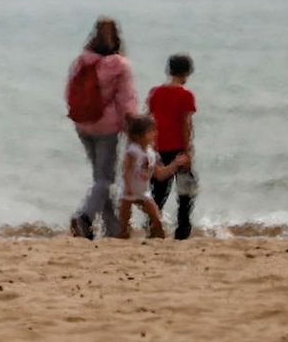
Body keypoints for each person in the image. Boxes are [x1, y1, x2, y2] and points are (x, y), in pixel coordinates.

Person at [66, 17, 137, 240]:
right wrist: (131, 128)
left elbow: (69, 90)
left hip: (82, 124)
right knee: (105, 180)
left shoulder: (81, 61)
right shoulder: (120, 65)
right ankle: (84, 217)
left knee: (100, 178)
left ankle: (112, 228)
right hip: (106, 127)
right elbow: (126, 100)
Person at [146, 53, 198, 240]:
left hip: (158, 148)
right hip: (178, 148)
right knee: (186, 192)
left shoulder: (155, 93)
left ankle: (153, 227)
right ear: (187, 72)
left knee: (158, 192)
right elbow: (186, 125)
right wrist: (188, 150)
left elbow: (149, 119)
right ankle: (182, 230)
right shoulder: (186, 95)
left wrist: (149, 145)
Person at [117, 115, 190, 239]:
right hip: (128, 192)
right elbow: (126, 170)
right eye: (151, 131)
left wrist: (174, 165)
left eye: (155, 130)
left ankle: (158, 239)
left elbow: (160, 174)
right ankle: (122, 238)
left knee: (157, 220)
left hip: (143, 192)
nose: (155, 134)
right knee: (123, 223)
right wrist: (128, 187)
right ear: (139, 135)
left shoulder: (152, 154)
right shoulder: (133, 151)